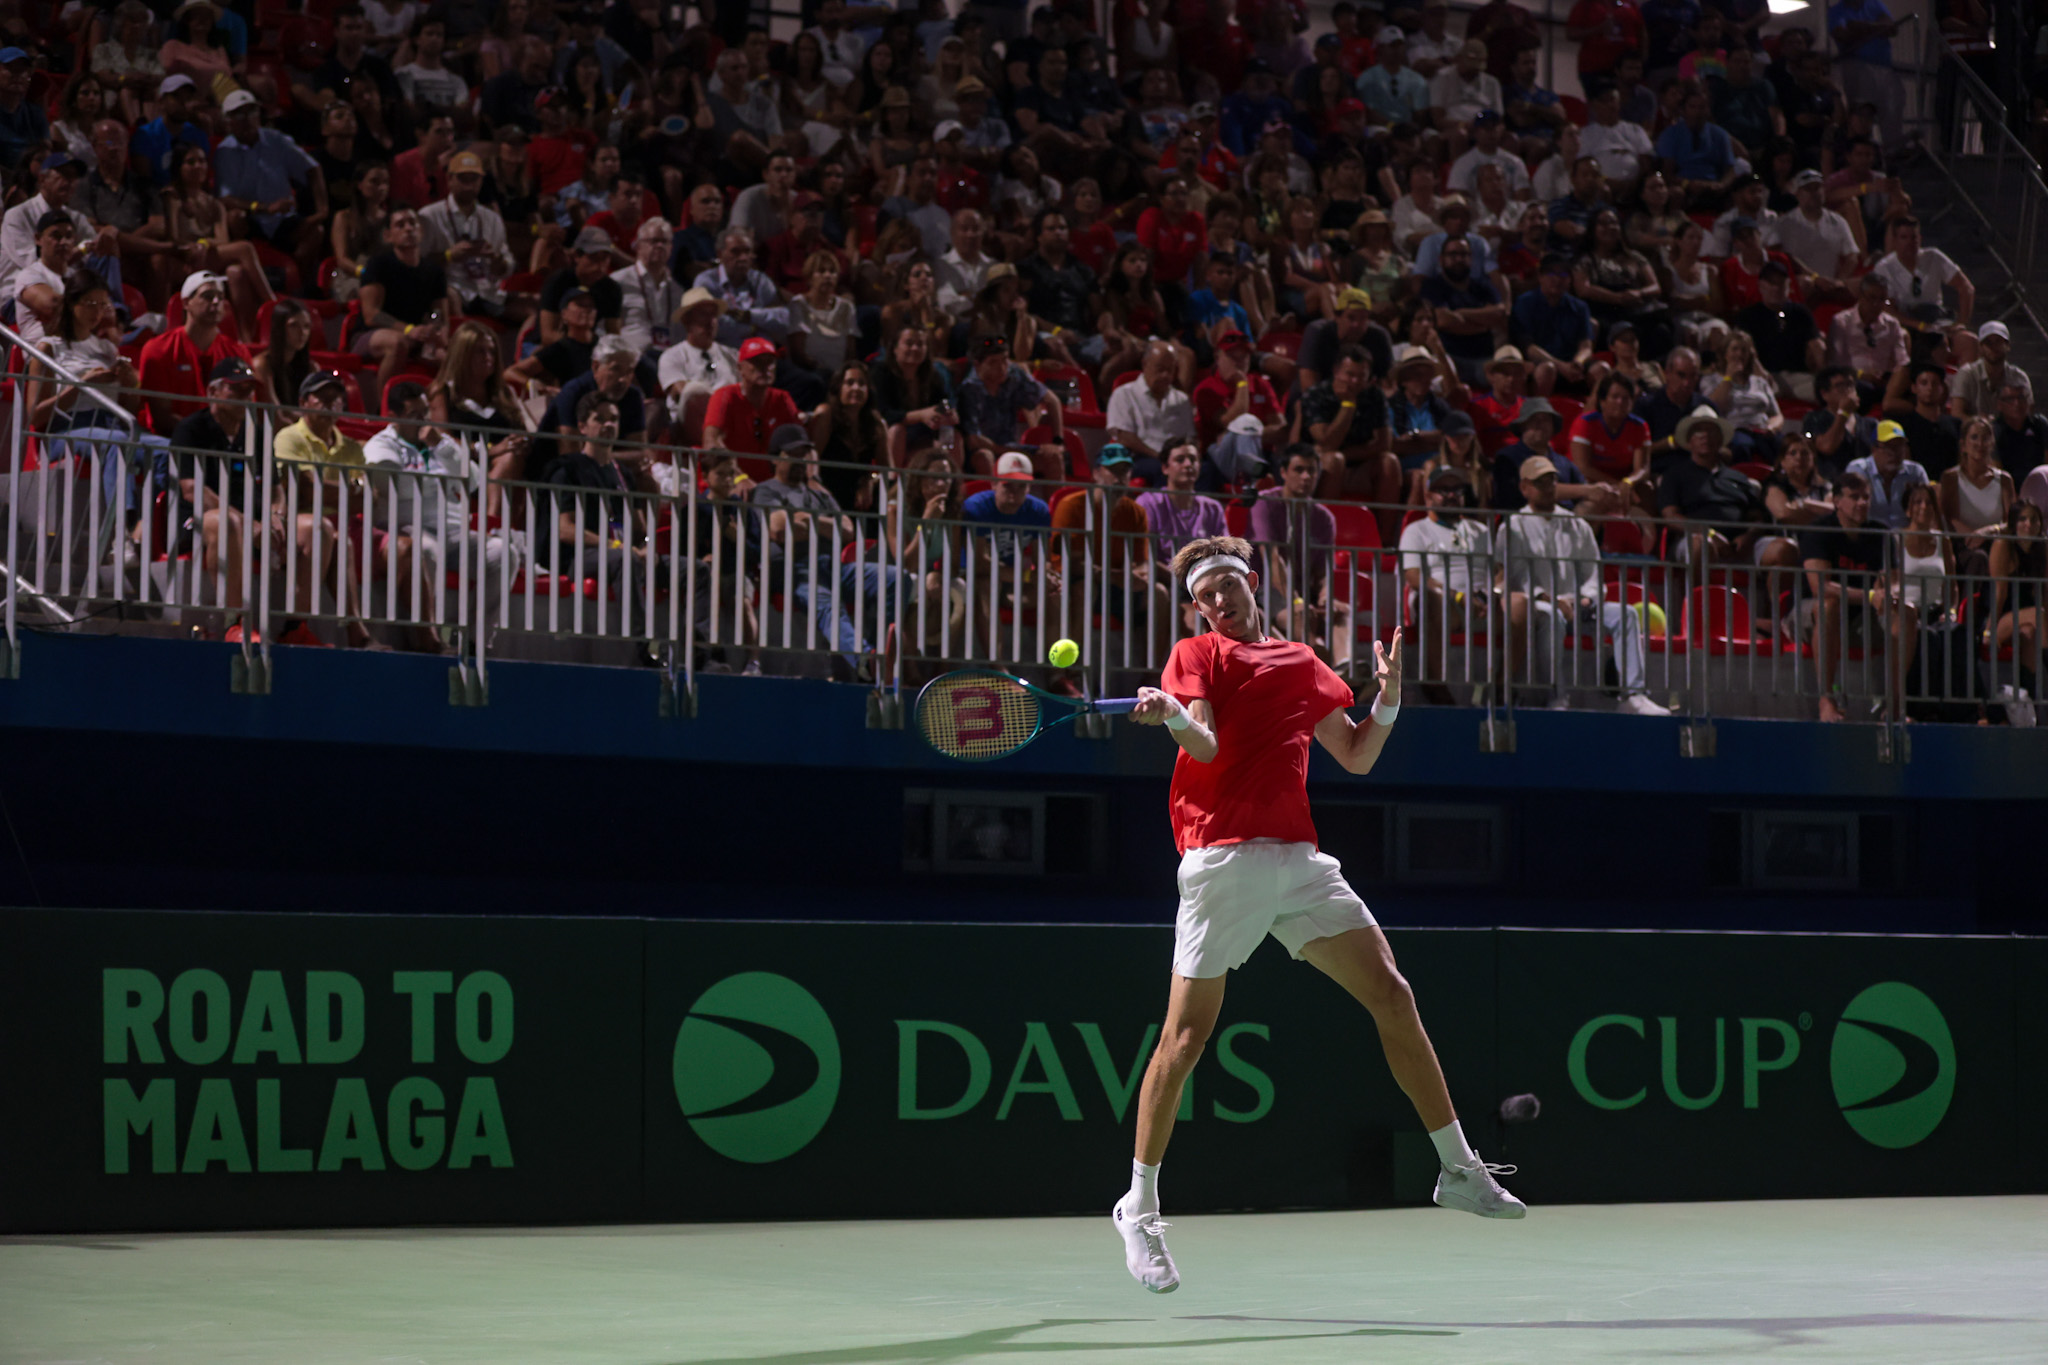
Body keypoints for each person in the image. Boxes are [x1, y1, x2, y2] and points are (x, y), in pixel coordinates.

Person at [1113, 533, 1522, 1293]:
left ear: (1249, 579)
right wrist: (1172, 711)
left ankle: (1459, 1168)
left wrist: (1389, 695)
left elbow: (1359, 753)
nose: (1219, 602)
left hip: (1298, 861)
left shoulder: (1303, 663)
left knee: (1392, 993)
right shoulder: (1198, 653)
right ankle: (1139, 1206)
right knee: (1185, 1037)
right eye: (1205, 596)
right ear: (1196, 606)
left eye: (1227, 586)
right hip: (1221, 859)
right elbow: (1202, 742)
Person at [1500, 454, 1671, 714]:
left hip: (1578, 603)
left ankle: (1632, 696)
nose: (1548, 488)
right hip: (1541, 607)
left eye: (1552, 482)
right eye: (1540, 483)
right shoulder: (1513, 526)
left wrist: (1587, 597)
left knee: (1625, 614)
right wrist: (1552, 600)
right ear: (1525, 488)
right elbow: (1517, 579)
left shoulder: (1576, 524)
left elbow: (1593, 572)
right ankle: (1557, 697)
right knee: (1553, 618)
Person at [363, 380, 519, 643]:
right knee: (425, 551)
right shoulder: (380, 445)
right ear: (394, 416)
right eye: (414, 415)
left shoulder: (440, 442)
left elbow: (472, 482)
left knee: (504, 553)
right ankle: (428, 636)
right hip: (409, 527)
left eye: (425, 412)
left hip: (455, 532)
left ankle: (474, 638)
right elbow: (393, 486)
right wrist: (437, 480)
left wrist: (443, 449)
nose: (423, 420)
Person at [1399, 466, 1495, 705]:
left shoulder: (1481, 530)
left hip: (1484, 604)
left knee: (1519, 603)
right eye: (1443, 489)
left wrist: (1492, 594)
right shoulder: (1416, 530)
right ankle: (1435, 685)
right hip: (1444, 603)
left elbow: (1499, 572)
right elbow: (1414, 576)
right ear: (1428, 495)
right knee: (1433, 597)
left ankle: (1505, 689)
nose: (1451, 495)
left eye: (1456, 489)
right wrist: (1460, 597)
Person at [1798, 470, 1887, 722]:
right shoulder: (1818, 530)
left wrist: (1888, 596)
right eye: (1854, 497)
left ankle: (1895, 704)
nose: (1862, 503)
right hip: (1810, 613)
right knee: (1829, 605)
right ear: (1836, 501)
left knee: (1906, 612)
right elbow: (1821, 587)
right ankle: (1826, 699)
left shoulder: (1880, 533)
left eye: (1866, 497)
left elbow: (1892, 582)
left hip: (1860, 618)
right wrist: (1871, 596)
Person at [354, 205, 461, 405]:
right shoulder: (378, 265)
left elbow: (441, 314)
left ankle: (442, 412)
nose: (408, 229)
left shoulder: (434, 271)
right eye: (400, 225)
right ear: (388, 236)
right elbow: (371, 315)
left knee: (451, 356)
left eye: (413, 223)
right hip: (371, 335)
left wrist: (439, 333)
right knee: (398, 343)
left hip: (417, 336)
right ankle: (385, 411)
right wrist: (409, 329)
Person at [138, 270, 251, 433]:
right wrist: (200, 437)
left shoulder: (238, 352)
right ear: (185, 303)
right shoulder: (158, 349)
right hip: (172, 442)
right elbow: (161, 416)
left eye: (220, 296)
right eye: (207, 295)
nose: (215, 301)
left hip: (224, 441)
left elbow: (244, 408)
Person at [419, 150, 520, 323]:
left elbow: (506, 263)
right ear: (449, 179)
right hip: (453, 288)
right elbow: (417, 264)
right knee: (447, 297)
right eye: (463, 179)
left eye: (474, 179)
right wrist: (449, 255)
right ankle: (462, 342)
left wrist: (496, 260)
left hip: (488, 291)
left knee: (533, 308)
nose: (469, 185)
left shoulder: (492, 218)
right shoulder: (428, 216)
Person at [1104, 341, 1195, 481]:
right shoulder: (1124, 395)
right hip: (1140, 457)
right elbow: (1125, 438)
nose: (1165, 375)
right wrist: (1160, 456)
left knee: (1207, 470)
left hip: (1176, 459)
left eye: (1170, 370)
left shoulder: (1181, 400)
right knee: (1163, 470)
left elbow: (1190, 437)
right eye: (1160, 369)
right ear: (1145, 364)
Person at [703, 337, 802, 465]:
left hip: (771, 482)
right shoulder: (725, 396)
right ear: (740, 368)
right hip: (732, 481)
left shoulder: (782, 398)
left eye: (770, 362)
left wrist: (811, 478)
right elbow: (711, 442)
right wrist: (737, 476)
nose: (765, 367)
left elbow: (801, 444)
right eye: (757, 362)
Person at [1511, 254, 1595, 395]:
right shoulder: (1525, 303)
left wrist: (1578, 362)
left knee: (1601, 369)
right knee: (1547, 369)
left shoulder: (1580, 307)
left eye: (1563, 274)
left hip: (1571, 364)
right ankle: (1539, 414)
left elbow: (1586, 346)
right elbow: (1529, 348)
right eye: (1551, 273)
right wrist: (1562, 366)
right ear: (1540, 277)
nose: (1557, 279)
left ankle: (1593, 415)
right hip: (1540, 363)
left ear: (1570, 279)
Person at [1844, 419, 1929, 531]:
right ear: (1873, 448)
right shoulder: (1858, 470)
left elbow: (1929, 509)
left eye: (1899, 446)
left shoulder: (1916, 472)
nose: (1894, 453)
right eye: (1888, 446)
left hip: (1907, 539)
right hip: (1868, 538)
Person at [1948, 321, 2031, 420]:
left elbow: (2028, 412)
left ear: (2007, 345)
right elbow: (1957, 413)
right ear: (1980, 347)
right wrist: (1982, 425)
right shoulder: (1967, 373)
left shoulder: (2019, 377)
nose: (1993, 347)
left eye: (1998, 342)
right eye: (1988, 343)